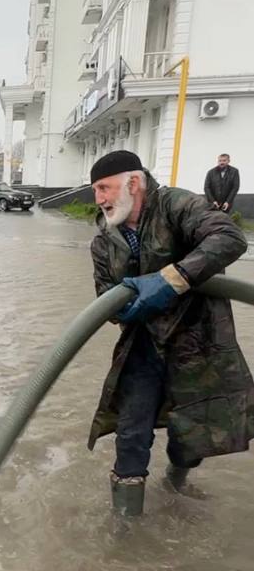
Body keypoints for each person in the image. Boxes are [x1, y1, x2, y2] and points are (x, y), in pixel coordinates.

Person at [87, 149, 254, 516]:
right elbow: (103, 294)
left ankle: (176, 486)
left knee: (191, 437)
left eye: (104, 188)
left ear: (134, 183)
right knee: (131, 436)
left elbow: (229, 237)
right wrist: (122, 308)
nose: (98, 199)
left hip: (197, 344)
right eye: (95, 190)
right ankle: (125, 530)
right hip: (142, 346)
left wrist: (172, 279)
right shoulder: (103, 240)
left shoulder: (175, 205)